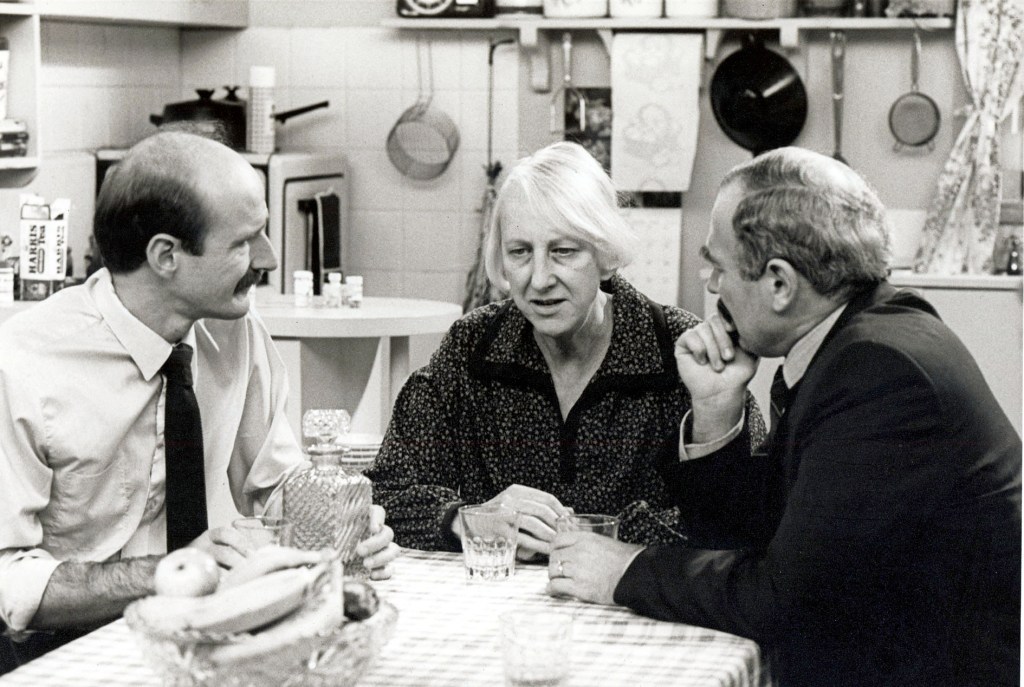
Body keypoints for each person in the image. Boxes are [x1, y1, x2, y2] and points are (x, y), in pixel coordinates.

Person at [545, 147, 1022, 686]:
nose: (710, 284)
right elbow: (753, 537)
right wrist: (716, 407)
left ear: (779, 283)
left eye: (718, 266)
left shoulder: (879, 372)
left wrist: (624, 569)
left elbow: (785, 599)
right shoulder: (860, 340)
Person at [0, 132, 400, 668]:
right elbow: (7, 580)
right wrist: (173, 572)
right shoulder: (22, 365)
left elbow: (275, 482)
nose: (269, 258)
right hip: (58, 656)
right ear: (166, 255)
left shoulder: (234, 329)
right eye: (245, 242)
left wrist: (342, 525)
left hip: (214, 638)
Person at [367, 141, 767, 558]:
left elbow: (746, 518)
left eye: (563, 251)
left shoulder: (677, 352)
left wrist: (595, 536)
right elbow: (383, 493)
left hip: (630, 595)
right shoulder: (473, 348)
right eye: (520, 252)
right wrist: (468, 518)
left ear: (607, 254)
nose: (539, 279)